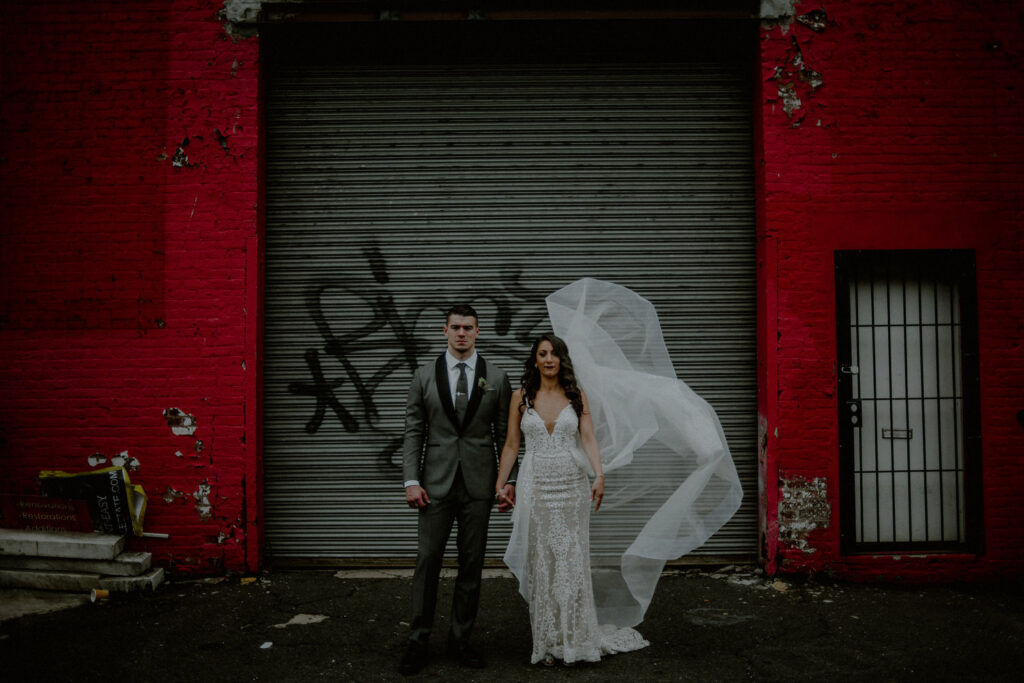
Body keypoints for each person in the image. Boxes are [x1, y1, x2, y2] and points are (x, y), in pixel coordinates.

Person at [495, 333, 649, 666]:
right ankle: (548, 642)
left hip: (571, 486)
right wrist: (501, 485)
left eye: (555, 354)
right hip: (535, 486)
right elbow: (511, 444)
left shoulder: (576, 396)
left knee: (571, 562)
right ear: (535, 359)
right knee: (542, 563)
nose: (549, 359)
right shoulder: (520, 398)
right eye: (543, 353)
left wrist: (600, 475)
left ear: (562, 360)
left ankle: (575, 639)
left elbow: (589, 438)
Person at [399, 304, 513, 676]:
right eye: (455, 327)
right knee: (427, 562)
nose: (462, 333)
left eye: (469, 327)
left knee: (471, 566)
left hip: (479, 487)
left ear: (478, 332)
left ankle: (461, 639)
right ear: (443, 330)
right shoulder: (423, 376)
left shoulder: (497, 377)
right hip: (434, 486)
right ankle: (418, 641)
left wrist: (506, 482)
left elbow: (506, 437)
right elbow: (415, 430)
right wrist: (411, 480)